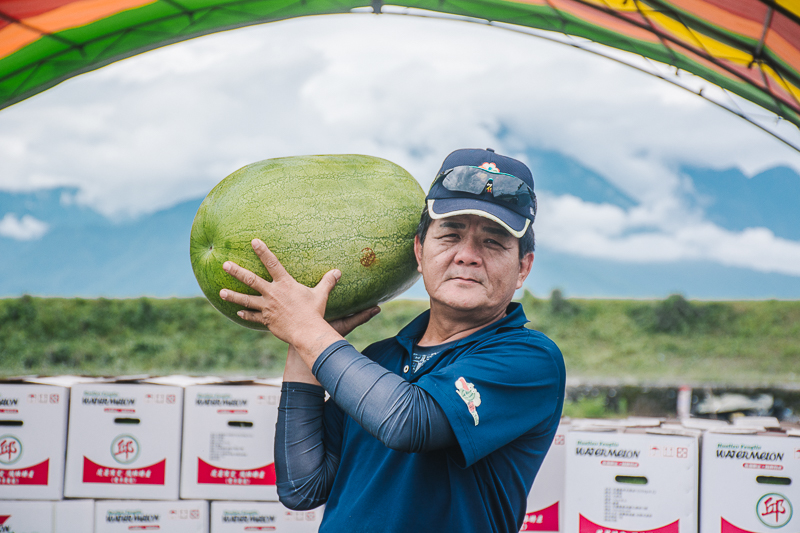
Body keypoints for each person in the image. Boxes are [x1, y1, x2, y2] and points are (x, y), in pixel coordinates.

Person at [219, 148, 565, 533]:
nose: (467, 256)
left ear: (523, 268)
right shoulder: (380, 359)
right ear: (419, 251)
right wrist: (305, 338)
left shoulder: (529, 360)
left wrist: (305, 328)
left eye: (494, 243)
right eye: (450, 235)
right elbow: (302, 486)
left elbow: (409, 422)